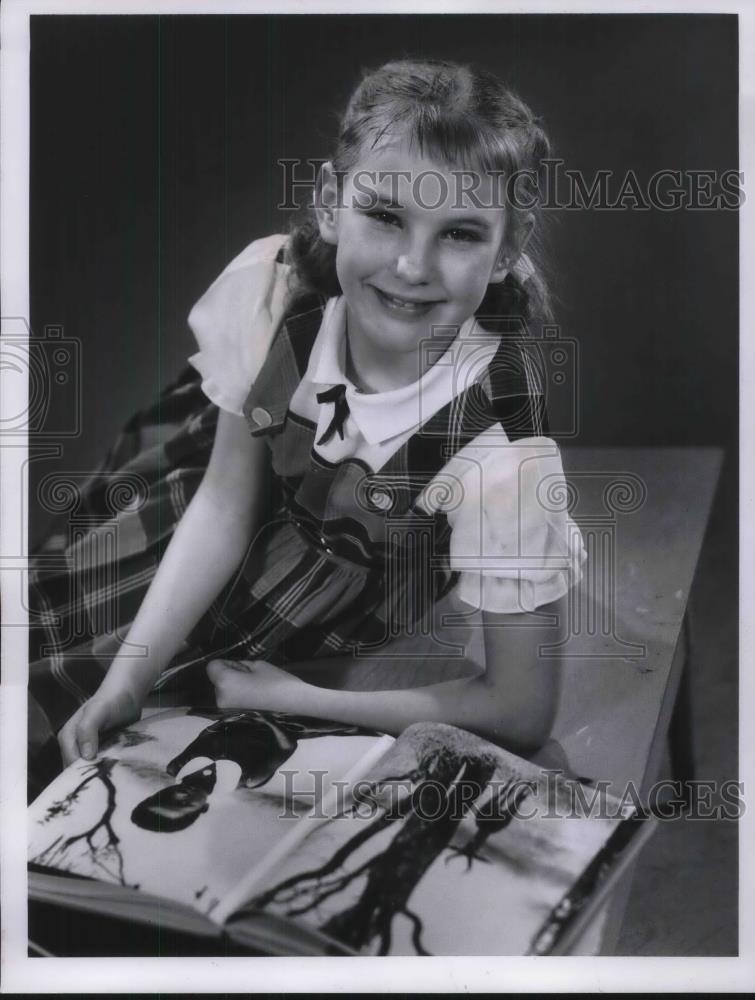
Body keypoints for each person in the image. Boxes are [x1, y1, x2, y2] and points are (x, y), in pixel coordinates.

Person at [29, 59, 585, 783]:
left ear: (507, 249)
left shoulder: (503, 460)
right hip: (212, 509)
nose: (412, 265)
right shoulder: (276, 296)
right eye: (385, 216)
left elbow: (519, 707)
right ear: (330, 202)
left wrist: (301, 698)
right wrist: (127, 680)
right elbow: (227, 501)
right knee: (43, 664)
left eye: (459, 234)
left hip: (327, 601)